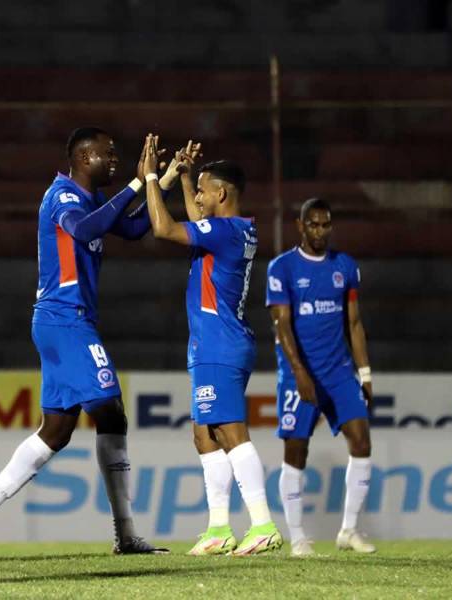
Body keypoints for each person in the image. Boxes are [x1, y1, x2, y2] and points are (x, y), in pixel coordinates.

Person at [0, 127, 173, 557]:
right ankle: (126, 533)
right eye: (108, 154)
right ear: (84, 157)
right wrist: (136, 180)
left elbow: (131, 228)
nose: (114, 159)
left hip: (60, 321)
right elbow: (86, 228)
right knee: (111, 411)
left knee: (56, 430)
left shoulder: (89, 198)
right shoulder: (63, 195)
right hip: (65, 319)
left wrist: (159, 181)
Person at [141, 136, 282, 556]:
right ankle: (219, 528)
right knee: (204, 435)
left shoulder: (223, 232)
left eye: (203, 191)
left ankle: (263, 524)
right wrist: (187, 179)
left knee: (228, 431)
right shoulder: (233, 230)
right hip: (214, 344)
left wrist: (151, 177)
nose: (198, 199)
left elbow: (164, 228)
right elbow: (196, 220)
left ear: (221, 194)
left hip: (220, 344)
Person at [266, 197, 375, 556]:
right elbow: (282, 326)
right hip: (299, 373)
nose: (320, 231)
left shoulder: (345, 266)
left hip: (339, 371)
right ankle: (298, 537)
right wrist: (299, 372)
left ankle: (349, 530)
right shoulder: (282, 268)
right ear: (300, 226)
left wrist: (365, 373)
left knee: (361, 441)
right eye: (313, 224)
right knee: (296, 450)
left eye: (325, 224)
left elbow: (354, 323)